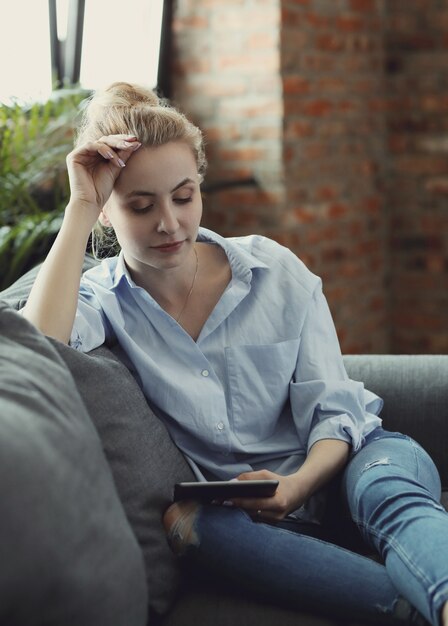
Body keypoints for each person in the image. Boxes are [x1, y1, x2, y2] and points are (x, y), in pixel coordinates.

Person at [22, 82, 448, 626]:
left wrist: (296, 485)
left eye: (183, 196)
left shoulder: (273, 270)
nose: (169, 224)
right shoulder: (104, 302)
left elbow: (336, 411)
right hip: (252, 522)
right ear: (108, 213)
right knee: (190, 526)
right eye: (140, 205)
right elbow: (36, 349)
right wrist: (80, 204)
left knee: (393, 493)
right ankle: (416, 607)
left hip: (351, 462)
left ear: (200, 186)